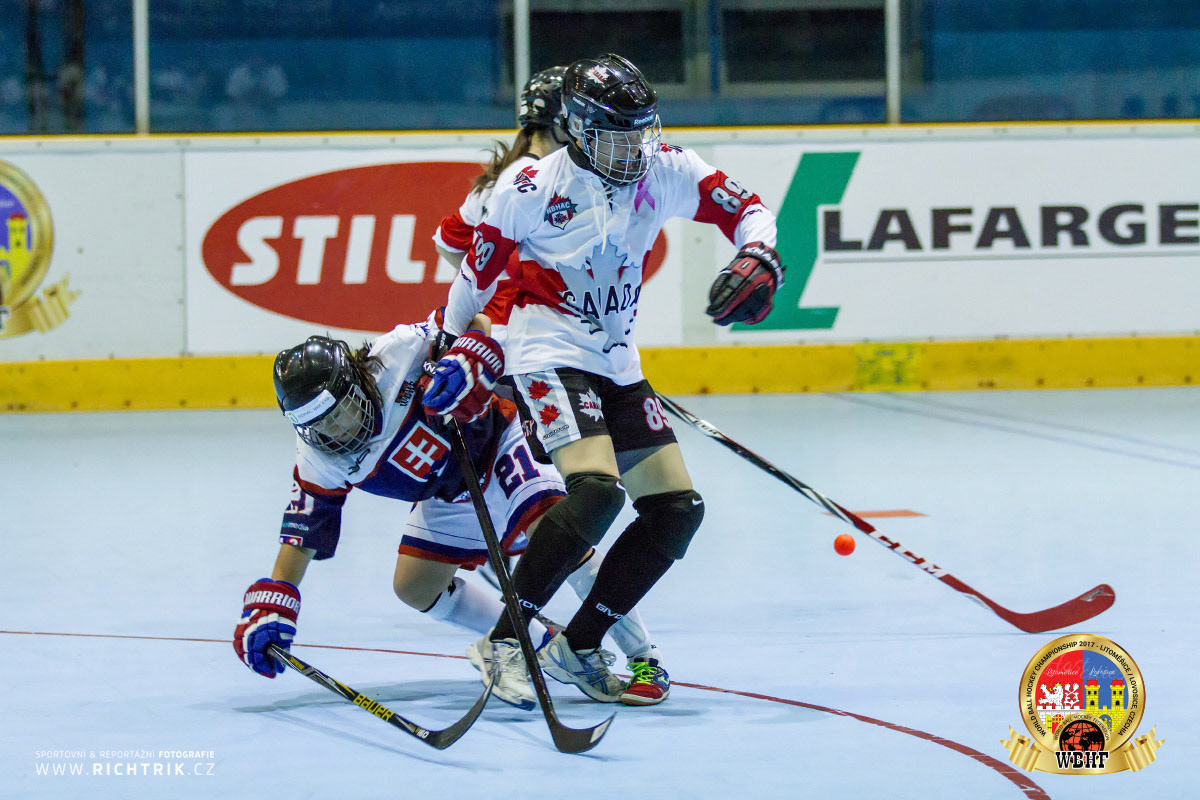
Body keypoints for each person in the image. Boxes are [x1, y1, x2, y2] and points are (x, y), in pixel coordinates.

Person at [424, 54, 784, 705]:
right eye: (619, 135)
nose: (636, 148)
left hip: (618, 364)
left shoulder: (667, 168)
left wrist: (760, 253)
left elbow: (749, 209)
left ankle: (579, 645)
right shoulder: (528, 188)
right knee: (596, 494)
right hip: (546, 353)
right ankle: (504, 642)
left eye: (642, 132)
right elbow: (474, 274)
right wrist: (450, 347)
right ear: (578, 130)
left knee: (676, 512)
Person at [433, 66, 671, 706]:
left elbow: (455, 247)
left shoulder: (554, 177)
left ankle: (597, 645)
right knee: (575, 507)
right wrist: (506, 317)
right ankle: (606, 648)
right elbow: (464, 258)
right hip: (519, 372)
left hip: (540, 367)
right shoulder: (521, 184)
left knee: (574, 509)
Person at [233, 310, 563, 710]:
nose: (332, 431)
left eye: (336, 413)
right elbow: (301, 533)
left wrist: (471, 351)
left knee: (559, 537)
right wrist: (276, 601)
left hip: (498, 438)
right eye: (316, 424)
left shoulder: (400, 351)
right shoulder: (318, 456)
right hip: (449, 491)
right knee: (414, 587)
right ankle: (536, 639)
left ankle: (609, 644)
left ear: (355, 385)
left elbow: (472, 319)